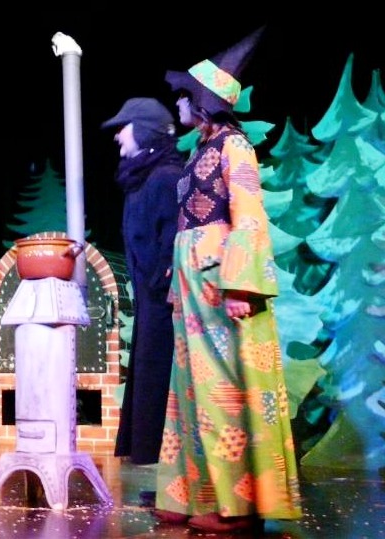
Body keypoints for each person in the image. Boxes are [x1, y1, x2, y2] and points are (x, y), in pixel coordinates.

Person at [152, 27, 303, 533]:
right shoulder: (200, 148)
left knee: (222, 388)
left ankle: (234, 503)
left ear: (204, 102)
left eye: (184, 97)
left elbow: (249, 213)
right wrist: (176, 276)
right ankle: (190, 490)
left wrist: (243, 285)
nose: (177, 104)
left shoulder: (234, 146)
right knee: (190, 387)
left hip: (221, 277)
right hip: (193, 278)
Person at [100, 99, 183, 479]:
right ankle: (151, 458)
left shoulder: (165, 177)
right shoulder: (143, 179)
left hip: (164, 300)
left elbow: (172, 237)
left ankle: (165, 462)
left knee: (160, 372)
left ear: (145, 130)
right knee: (149, 370)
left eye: (125, 127)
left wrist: (161, 284)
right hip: (151, 298)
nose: (118, 136)